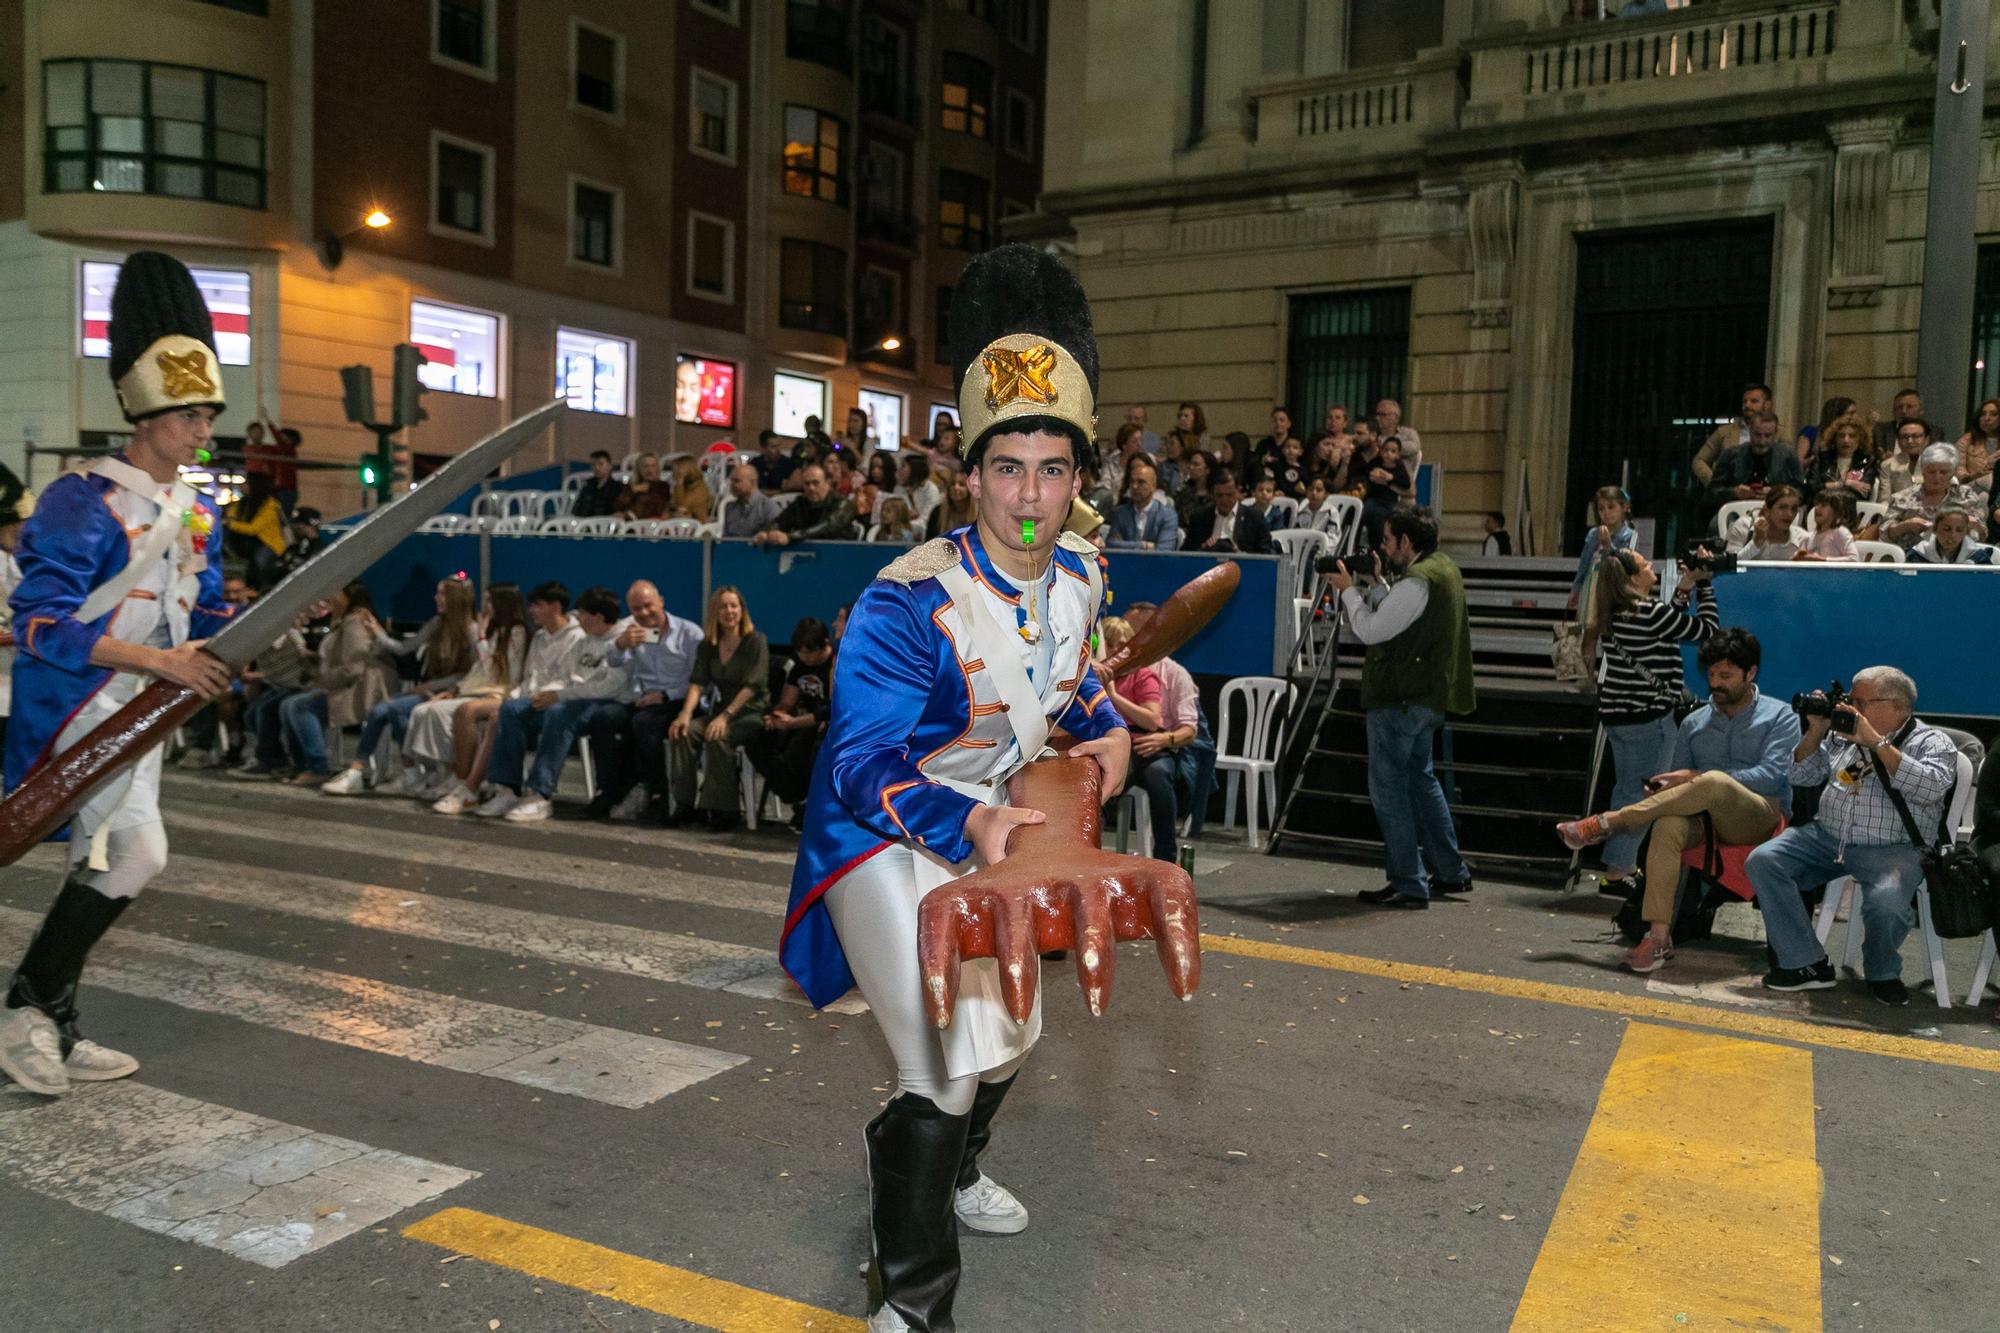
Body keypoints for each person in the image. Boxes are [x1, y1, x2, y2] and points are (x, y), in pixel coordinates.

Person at [779, 245, 1131, 1333]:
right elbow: (857, 762)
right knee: (937, 1059)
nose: (1031, 497)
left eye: (1053, 471)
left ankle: (954, 1168)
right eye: (1009, 469)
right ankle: (912, 1302)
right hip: (882, 833)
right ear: (968, 478)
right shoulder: (904, 603)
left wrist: (1109, 732)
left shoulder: (1076, 579)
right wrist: (970, 816)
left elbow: (1064, 695)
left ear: (1076, 482)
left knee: (1013, 1029)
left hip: (996, 825)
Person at [0, 253, 238, 1096]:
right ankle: (26, 1008)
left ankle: (54, 1023)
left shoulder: (196, 510)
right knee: (137, 852)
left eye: (210, 412)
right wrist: (156, 661)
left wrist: (263, 627)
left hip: (148, 705)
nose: (204, 427)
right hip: (78, 701)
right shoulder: (77, 500)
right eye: (189, 414)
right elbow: (37, 625)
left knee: (98, 860)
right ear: (146, 413)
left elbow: (201, 616)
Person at [1557, 628, 1799, 973]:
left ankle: (1610, 821)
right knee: (1669, 824)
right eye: (1712, 674)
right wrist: (1665, 788)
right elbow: (1680, 780)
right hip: (1704, 818)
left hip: (1759, 815)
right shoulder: (1695, 722)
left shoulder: (1780, 716)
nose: (1716, 683)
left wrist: (1697, 778)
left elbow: (1773, 776)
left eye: (1726, 675)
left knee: (1712, 779)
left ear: (1751, 673)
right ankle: (1658, 937)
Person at [1746, 667, 1961, 1003]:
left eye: (1861, 701)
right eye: (1850, 699)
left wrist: (1875, 742)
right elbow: (1801, 776)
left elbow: (1930, 787)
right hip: (1828, 836)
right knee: (1765, 860)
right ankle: (1806, 963)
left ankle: (1882, 970)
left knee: (1887, 903)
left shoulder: (1931, 742)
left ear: (1897, 705)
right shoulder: (1842, 733)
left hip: (1893, 847)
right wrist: (1815, 732)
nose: (1850, 708)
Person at [1328, 505, 1476, 907]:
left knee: (1389, 791)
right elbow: (1404, 615)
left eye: (1389, 539)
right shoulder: (1442, 568)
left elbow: (1374, 630)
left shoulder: (1418, 581)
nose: (1382, 545)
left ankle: (1409, 883)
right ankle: (1450, 871)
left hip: (1401, 699)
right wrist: (1376, 584)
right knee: (1421, 782)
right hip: (1426, 697)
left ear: (1407, 543)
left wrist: (1347, 591)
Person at [1583, 548, 1719, 902]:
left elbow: (1666, 623)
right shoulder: (1647, 611)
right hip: (1647, 719)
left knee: (1627, 789)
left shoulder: (1619, 611)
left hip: (1619, 716)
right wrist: (1705, 587)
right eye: (1644, 565)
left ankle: (1618, 864)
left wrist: (1685, 587)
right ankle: (1618, 871)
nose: (1651, 567)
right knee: (1644, 795)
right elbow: (1706, 630)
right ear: (1632, 578)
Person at [475, 585, 632, 824]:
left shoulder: (621, 641)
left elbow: (609, 687)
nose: (577, 619)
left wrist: (560, 696)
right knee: (511, 709)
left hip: (603, 705)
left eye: (582, 615)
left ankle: (540, 793)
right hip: (571, 697)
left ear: (598, 617)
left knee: (559, 713)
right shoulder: (585, 640)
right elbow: (566, 674)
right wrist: (545, 694)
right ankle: (507, 788)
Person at [433, 580, 582, 815]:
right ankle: (500, 788)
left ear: (555, 607)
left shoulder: (576, 638)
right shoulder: (541, 637)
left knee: (495, 715)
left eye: (537, 605)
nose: (531, 610)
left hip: (554, 701)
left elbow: (571, 679)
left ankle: (481, 786)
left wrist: (533, 696)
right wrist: (514, 698)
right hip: (528, 699)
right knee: (500, 714)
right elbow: (527, 678)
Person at [321, 578, 478, 797]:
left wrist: (433, 686)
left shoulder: (470, 630)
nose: (436, 598)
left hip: (451, 691)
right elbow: (403, 648)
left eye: (441, 594)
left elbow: (471, 672)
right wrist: (377, 630)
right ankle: (406, 772)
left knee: (391, 709)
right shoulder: (436, 623)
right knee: (385, 710)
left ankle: (376, 771)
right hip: (429, 689)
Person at [583, 579, 703, 823]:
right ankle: (608, 789)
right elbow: (615, 662)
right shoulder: (633, 631)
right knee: (603, 718)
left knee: (644, 723)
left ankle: (657, 792)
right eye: (636, 609)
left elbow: (700, 681)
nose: (644, 613)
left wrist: (666, 695)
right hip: (645, 699)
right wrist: (620, 644)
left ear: (661, 602)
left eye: (648, 606)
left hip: (680, 699)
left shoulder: (690, 633)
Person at [402, 582, 528, 797]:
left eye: (489, 600)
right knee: (423, 710)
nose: (485, 605)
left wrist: (480, 637)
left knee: (443, 712)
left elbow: (497, 669)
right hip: (477, 689)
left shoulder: (516, 633)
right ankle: (445, 771)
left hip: (498, 692)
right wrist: (453, 690)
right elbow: (478, 671)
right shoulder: (496, 631)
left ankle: (460, 775)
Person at [666, 586, 768, 831]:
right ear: (714, 612)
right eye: (723, 606)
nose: (729, 611)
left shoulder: (756, 640)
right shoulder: (709, 644)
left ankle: (724, 809)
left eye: (734, 605)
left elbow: (752, 686)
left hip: (750, 712)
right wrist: (685, 714)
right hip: (722, 710)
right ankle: (685, 803)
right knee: (685, 732)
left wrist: (724, 716)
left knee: (718, 736)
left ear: (742, 610)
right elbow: (697, 682)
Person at [277, 581, 396, 785]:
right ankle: (302, 765)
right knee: (288, 703)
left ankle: (317, 767)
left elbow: (354, 668)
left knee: (300, 706)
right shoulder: (342, 621)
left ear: (349, 597)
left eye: (335, 593)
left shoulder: (356, 622)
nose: (330, 597)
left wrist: (322, 680)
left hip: (363, 689)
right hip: (344, 685)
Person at [1123, 600, 1216, 836]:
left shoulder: (1175, 675)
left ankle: (1166, 850)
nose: (1126, 638)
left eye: (1131, 631)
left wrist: (1162, 740)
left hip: (1163, 746)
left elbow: (1190, 731)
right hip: (1125, 744)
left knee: (1158, 774)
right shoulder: (1118, 670)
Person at [1096, 616, 1178, 861]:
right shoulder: (1093, 676)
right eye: (1111, 645)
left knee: (1159, 777)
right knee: (1102, 784)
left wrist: (1113, 696)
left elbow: (1152, 720)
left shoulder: (1142, 676)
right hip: (1119, 746)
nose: (1117, 650)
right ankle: (1091, 855)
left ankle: (1166, 856)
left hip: (1149, 745)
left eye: (1122, 644)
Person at [748, 616, 834, 823]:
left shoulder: (835, 665)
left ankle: (809, 803)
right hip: (800, 721)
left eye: (809, 653)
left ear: (824, 645)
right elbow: (787, 699)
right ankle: (795, 796)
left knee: (804, 749)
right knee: (757, 740)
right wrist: (777, 715)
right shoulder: (800, 667)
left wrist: (792, 722)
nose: (805, 658)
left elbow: (830, 710)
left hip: (821, 723)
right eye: (800, 653)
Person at [1878, 443, 1988, 549]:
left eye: (1943, 472)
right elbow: (1884, 534)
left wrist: (1973, 525)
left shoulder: (1966, 495)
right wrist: (1905, 526)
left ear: (1953, 473)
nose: (1937, 477)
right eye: (1932, 472)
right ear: (1923, 471)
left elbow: (1983, 535)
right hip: (1912, 558)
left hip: (1958, 559)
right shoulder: (1903, 497)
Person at [1705, 410, 1805, 518]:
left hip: (1778, 514)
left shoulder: (1788, 456)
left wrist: (1777, 494)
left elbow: (1802, 492)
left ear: (1776, 434)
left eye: (1767, 436)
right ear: (1750, 430)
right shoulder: (1730, 455)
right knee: (1717, 524)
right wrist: (1734, 493)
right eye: (1757, 435)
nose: (1762, 441)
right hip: (1736, 513)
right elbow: (1710, 495)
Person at [1691, 382, 1779, 486]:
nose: (1747, 405)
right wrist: (1715, 483)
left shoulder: (1780, 433)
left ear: (1767, 405)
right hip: (1730, 495)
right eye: (1744, 401)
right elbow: (1699, 460)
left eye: (1754, 401)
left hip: (1766, 496)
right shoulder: (1725, 432)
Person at [750, 465, 858, 545]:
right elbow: (780, 522)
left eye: (816, 483)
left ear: (827, 483)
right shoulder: (800, 503)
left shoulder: (844, 504)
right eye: (807, 484)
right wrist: (767, 533)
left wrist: (790, 537)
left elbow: (827, 527)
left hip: (839, 554)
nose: (811, 488)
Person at [1571, 485, 1637, 605]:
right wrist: (1576, 591)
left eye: (1611, 507)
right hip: (1591, 589)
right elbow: (1584, 565)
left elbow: (1625, 567)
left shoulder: (1630, 535)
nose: (1606, 513)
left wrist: (1608, 546)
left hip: (1615, 594)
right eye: (1601, 509)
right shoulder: (1593, 534)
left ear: (1624, 507)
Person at [223, 470, 287, 591]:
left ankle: (260, 589)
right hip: (250, 544)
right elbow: (232, 512)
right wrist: (230, 519)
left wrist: (230, 523)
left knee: (260, 562)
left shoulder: (270, 505)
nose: (242, 486)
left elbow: (254, 528)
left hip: (269, 544)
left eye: (246, 483)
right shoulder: (243, 503)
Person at [1183, 471, 1272, 554]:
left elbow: (1266, 554)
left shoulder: (1254, 518)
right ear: (1212, 494)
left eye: (1229, 495)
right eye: (1220, 495)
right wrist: (1202, 549)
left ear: (1238, 491)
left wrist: (1242, 555)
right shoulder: (1199, 518)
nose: (1224, 500)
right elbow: (1185, 553)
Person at [1799, 410, 1876, 499]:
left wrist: (1828, 486)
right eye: (1841, 435)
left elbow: (1863, 493)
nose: (1846, 440)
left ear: (1860, 439)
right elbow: (1810, 489)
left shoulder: (1867, 461)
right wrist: (1845, 483)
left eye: (1852, 436)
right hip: (1821, 506)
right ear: (1834, 438)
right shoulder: (1821, 458)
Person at [1722, 484, 1808, 560]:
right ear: (1767, 510)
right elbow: (1730, 565)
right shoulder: (1744, 526)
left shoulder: (1802, 538)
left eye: (1794, 509)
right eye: (1782, 507)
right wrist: (1756, 543)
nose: (1790, 514)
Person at [1107, 456, 1177, 549]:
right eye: (1132, 482)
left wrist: (1126, 545)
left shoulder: (1167, 515)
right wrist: (1143, 545)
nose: (1134, 486)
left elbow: (1165, 549)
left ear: (1153, 486)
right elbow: (1111, 544)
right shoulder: (1121, 513)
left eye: (1141, 482)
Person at [1356, 436, 1411, 550]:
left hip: (1390, 500)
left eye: (1393, 451)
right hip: (1373, 498)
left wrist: (1391, 477)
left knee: (1389, 516)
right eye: (1385, 450)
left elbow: (1406, 483)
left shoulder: (1399, 467)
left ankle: (1384, 546)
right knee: (1364, 511)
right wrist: (1372, 474)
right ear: (1381, 451)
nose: (1388, 454)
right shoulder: (1376, 462)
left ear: (1398, 455)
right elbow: (1364, 472)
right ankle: (1355, 542)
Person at [1907, 502, 1996, 565]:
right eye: (1946, 529)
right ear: (1934, 529)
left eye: (1960, 530)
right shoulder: (1918, 555)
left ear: (1966, 532)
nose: (1953, 535)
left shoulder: (1978, 558)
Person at [1871, 413, 1932, 502]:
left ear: (1926, 440)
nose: (1910, 441)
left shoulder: (1937, 465)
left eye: (1915, 436)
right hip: (1897, 513)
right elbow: (1884, 501)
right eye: (1905, 437)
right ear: (1898, 441)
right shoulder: (1888, 465)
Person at [1798, 487, 1861, 562]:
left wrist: (1823, 559)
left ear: (1836, 511)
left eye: (1823, 505)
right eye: (1816, 504)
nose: (1817, 508)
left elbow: (1854, 559)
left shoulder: (1840, 532)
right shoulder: (1812, 536)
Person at [719, 462, 781, 537]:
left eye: (737, 481)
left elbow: (776, 537)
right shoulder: (729, 508)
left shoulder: (769, 507)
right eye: (732, 481)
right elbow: (725, 539)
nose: (732, 485)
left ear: (753, 482)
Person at [1794, 395, 1855, 464]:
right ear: (1837, 414)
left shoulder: (1849, 436)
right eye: (1850, 413)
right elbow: (1798, 462)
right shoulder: (1810, 432)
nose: (1854, 417)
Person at [1872, 387, 1925, 461]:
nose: (1904, 411)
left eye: (1909, 407)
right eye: (1899, 407)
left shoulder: (1934, 433)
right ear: (1893, 411)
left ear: (1921, 410)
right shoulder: (1881, 430)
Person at [1955, 397, 1999, 488]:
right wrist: (1973, 476)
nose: (1986, 418)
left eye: (1993, 414)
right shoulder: (1967, 440)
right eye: (1983, 414)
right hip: (1971, 486)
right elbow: (1958, 469)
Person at [1372, 398, 1422, 475]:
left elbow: (1414, 448)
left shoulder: (1408, 433)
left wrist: (1385, 444)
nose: (1377, 418)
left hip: (1401, 478)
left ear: (1395, 417)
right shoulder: (1373, 434)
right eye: (1377, 414)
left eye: (1382, 414)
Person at [616, 453, 672, 520]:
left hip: (656, 523)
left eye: (653, 466)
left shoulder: (663, 486)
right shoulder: (630, 487)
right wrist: (633, 490)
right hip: (634, 523)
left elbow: (663, 507)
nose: (649, 470)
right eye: (646, 466)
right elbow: (619, 506)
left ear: (658, 468)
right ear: (639, 469)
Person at [923, 472, 977, 540]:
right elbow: (929, 542)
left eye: (961, 484)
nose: (956, 487)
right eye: (952, 484)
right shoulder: (937, 512)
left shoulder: (979, 514)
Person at [571, 450, 623, 518]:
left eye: (600, 464)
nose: (597, 468)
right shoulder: (587, 485)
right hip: (584, 523)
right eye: (593, 465)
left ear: (610, 466)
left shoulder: (617, 487)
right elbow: (577, 508)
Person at [668, 455, 712, 523]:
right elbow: (673, 505)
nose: (673, 473)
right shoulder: (678, 487)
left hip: (698, 525)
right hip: (679, 525)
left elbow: (682, 507)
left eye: (676, 469)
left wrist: (680, 483)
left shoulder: (700, 488)